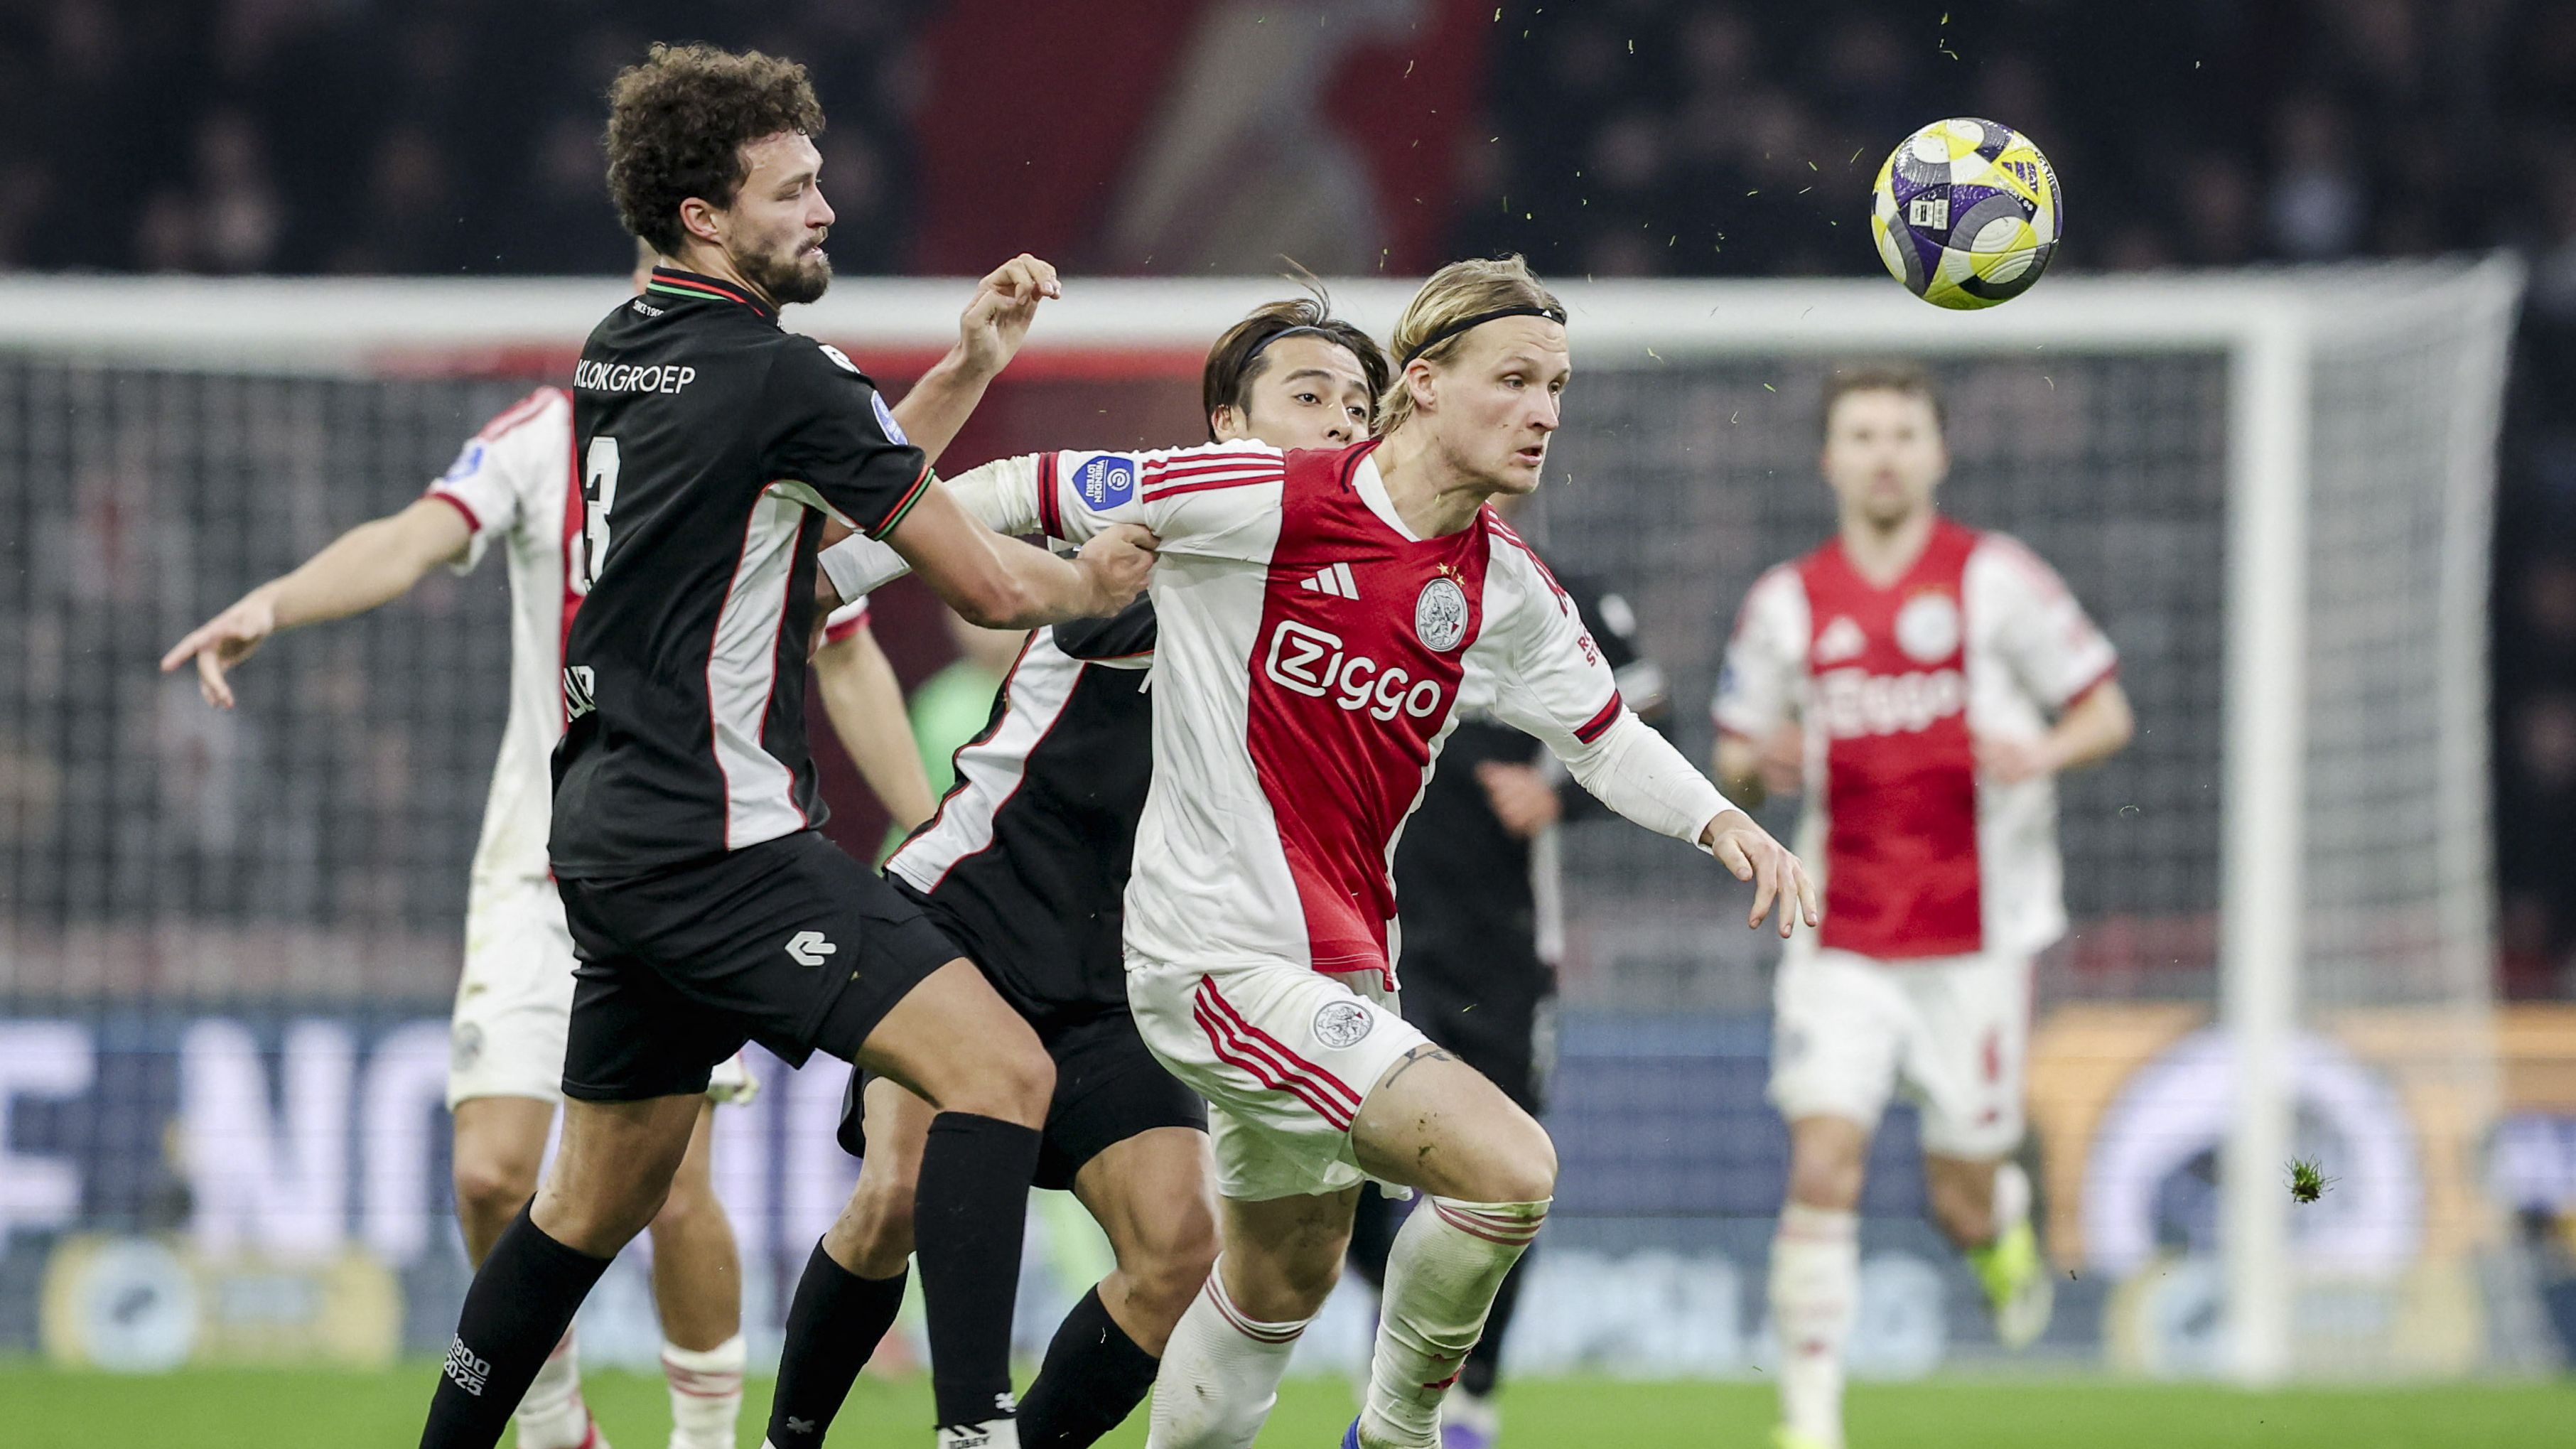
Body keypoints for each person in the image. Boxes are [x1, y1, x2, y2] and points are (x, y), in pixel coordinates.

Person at [820, 254, 1818, 1449]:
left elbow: (1602, 737)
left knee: (1275, 1283)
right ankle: (1396, 1437)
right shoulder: (1263, 495)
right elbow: (1019, 488)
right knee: (1508, 1169)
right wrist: (835, 571)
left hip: (1339, 965)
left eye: (1557, 386)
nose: (1544, 411)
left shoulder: (1504, 586)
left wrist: (1722, 821)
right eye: (1514, 380)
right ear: (1425, 386)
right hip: (1213, 958)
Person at [401, 44, 1154, 1449]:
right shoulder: (782, 374)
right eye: (792, 189)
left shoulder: (622, 349)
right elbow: (987, 586)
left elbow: (818, 489)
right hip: (721, 842)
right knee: (1000, 1074)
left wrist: (966, 368)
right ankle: (977, 1431)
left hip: (608, 834)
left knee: (587, 1206)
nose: (825, 208)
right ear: (704, 215)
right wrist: (1090, 583)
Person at [772, 293, 1390, 1449]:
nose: (1338, 423)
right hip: (968, 923)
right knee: (894, 1197)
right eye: (1308, 396)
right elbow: (992, 501)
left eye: (1358, 408)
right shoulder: (1164, 536)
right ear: (1228, 424)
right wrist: (837, 575)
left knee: (1179, 1250)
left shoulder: (1361, 599)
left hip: (1122, 974)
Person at [1712, 363, 2134, 1449]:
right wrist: (1760, 762)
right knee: (1822, 1159)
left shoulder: (1998, 580)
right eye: (1863, 435)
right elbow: (1733, 755)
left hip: (1974, 945)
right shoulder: (1785, 602)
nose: (1884, 454)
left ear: (1938, 453)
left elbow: (2105, 712)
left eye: (1903, 434)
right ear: (1829, 460)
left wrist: (2040, 751)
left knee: (1959, 1197)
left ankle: (1999, 1230)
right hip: (1838, 935)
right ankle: (1809, 1424)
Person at [1342, 497, 1672, 1449]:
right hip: (1365, 934)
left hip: (1503, 948)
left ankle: (1470, 1400)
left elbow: (1655, 715)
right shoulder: (1350, 577)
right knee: (1343, 1175)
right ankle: (1407, 1335)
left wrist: (1558, 792)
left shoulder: (1563, 595)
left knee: (1506, 1175)